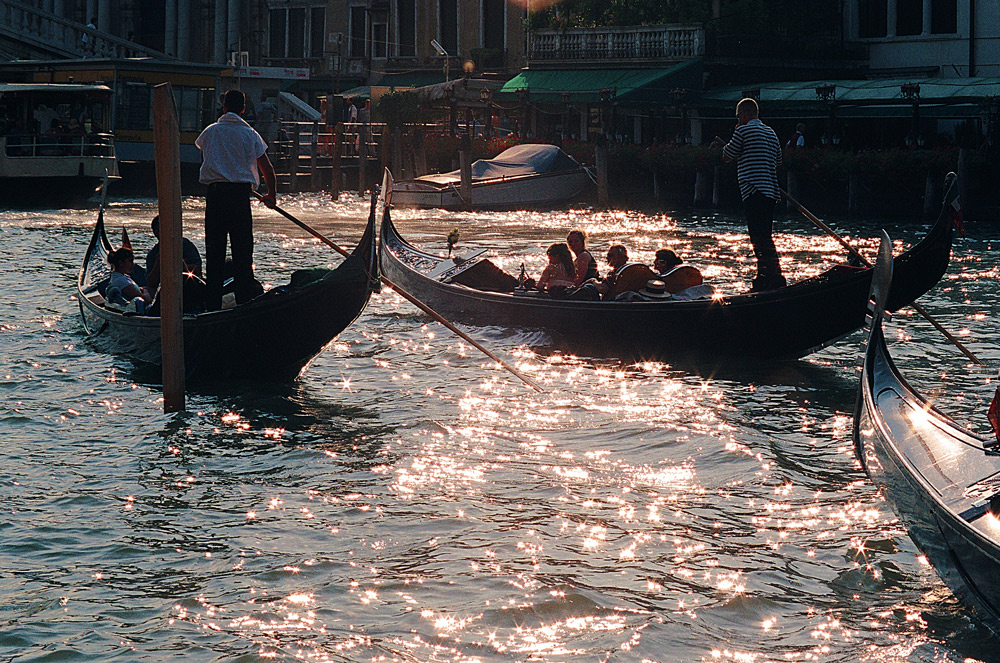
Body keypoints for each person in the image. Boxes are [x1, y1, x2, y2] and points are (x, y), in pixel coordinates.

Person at [195, 88, 277, 310]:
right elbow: (267, 169)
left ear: (224, 107)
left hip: (216, 197)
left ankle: (212, 305)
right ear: (242, 108)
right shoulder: (250, 134)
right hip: (240, 198)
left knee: (215, 252)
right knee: (242, 253)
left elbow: (206, 156)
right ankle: (245, 303)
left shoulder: (210, 132)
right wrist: (272, 195)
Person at [711, 97, 786, 292]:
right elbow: (778, 160)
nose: (738, 120)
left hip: (753, 189)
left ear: (743, 114)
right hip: (770, 191)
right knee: (765, 236)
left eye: (738, 116)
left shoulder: (742, 130)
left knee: (758, 237)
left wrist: (726, 146)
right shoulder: (770, 132)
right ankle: (770, 276)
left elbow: (728, 156)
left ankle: (768, 278)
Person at [145, 214, 202, 293]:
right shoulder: (153, 253)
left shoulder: (185, 245)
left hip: (189, 287)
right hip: (164, 290)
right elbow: (151, 283)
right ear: (155, 233)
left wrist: (177, 261)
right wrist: (158, 262)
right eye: (159, 230)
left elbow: (197, 269)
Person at [106, 247, 151, 312]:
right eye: (130, 261)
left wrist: (144, 290)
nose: (133, 264)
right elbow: (146, 299)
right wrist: (146, 291)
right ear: (121, 263)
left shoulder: (123, 277)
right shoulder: (121, 280)